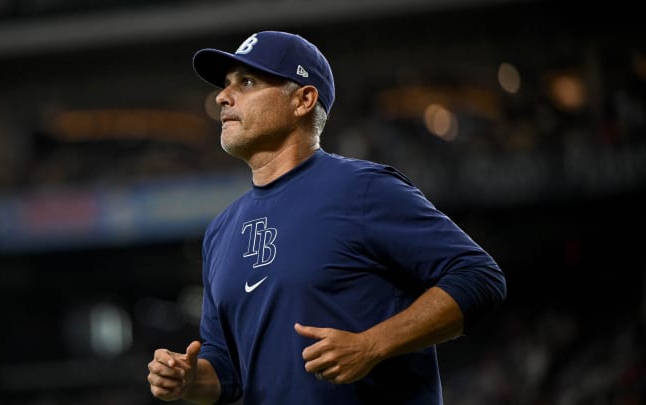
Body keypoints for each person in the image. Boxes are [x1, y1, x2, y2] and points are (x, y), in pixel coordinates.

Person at [147, 30, 507, 404]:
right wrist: (189, 380)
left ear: (303, 100)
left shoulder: (362, 189)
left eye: (248, 82)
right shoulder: (221, 231)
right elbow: (224, 368)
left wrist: (372, 345)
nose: (222, 96)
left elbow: (479, 277)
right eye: (225, 85)